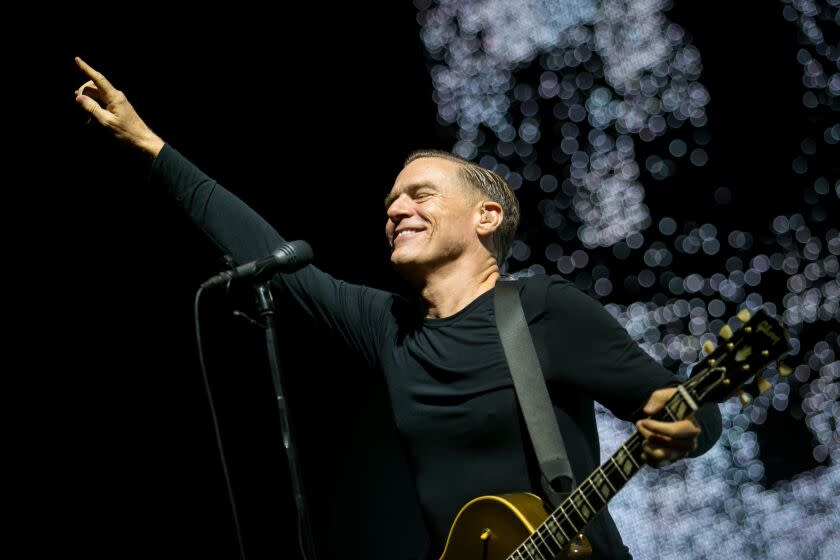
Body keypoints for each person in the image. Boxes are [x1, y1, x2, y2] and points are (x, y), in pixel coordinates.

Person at [73, 56, 722, 559]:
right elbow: (263, 247)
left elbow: (690, 410)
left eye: (420, 194)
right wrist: (150, 145)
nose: (395, 210)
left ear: (485, 216)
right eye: (390, 202)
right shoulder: (390, 329)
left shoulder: (545, 308)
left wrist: (691, 430)